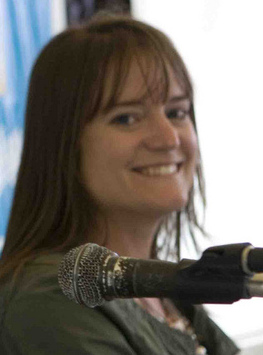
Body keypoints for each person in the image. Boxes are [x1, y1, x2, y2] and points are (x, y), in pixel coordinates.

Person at [0, 14, 240, 355]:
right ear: (63, 146)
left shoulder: (168, 293)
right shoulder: (51, 298)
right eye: (126, 118)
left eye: (177, 112)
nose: (168, 137)